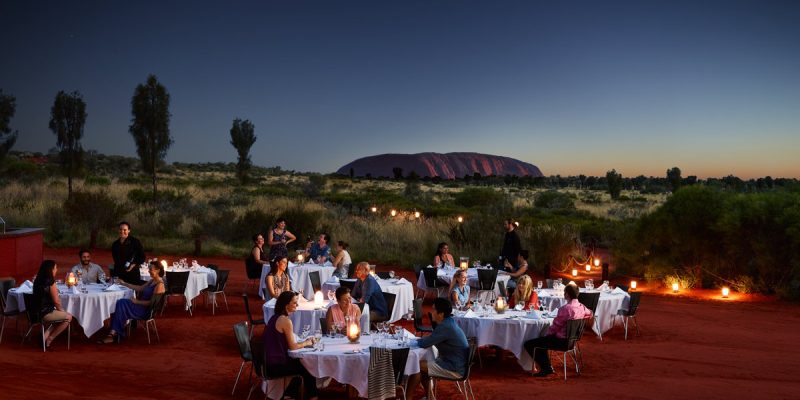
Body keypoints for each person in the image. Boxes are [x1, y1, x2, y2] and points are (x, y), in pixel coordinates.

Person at [523, 283, 592, 377]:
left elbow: (555, 326)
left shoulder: (565, 309)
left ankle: (546, 368)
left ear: (567, 294)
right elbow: (590, 314)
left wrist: (546, 334)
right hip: (572, 341)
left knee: (530, 344)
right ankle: (547, 367)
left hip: (560, 342)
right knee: (542, 341)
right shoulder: (582, 307)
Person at [406, 298, 469, 400]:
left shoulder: (445, 327)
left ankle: (407, 397)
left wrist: (409, 341)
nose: (431, 312)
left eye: (434, 309)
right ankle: (430, 397)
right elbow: (431, 339)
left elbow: (426, 343)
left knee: (416, 365)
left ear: (441, 314)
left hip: (454, 368)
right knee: (422, 366)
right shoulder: (449, 322)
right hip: (456, 363)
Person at [263, 291, 319, 400]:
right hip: (276, 365)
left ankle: (289, 395)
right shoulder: (285, 321)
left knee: (301, 365)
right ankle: (313, 397)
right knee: (309, 368)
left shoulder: (274, 317)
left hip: (266, 362)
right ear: (286, 305)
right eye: (294, 303)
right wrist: (307, 342)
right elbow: (293, 346)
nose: (297, 305)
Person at [100, 261, 166, 344]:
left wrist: (137, 301)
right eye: (149, 269)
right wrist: (124, 283)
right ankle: (114, 333)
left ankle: (113, 334)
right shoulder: (152, 281)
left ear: (158, 270)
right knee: (120, 303)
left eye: (151, 269)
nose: (149, 271)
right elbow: (139, 288)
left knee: (121, 303)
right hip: (139, 307)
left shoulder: (159, 285)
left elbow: (151, 303)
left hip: (145, 311)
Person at [32, 260, 74, 349]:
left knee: (59, 317)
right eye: (55, 268)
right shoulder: (51, 282)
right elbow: (56, 301)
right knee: (68, 317)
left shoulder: (37, 280)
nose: (56, 270)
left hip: (35, 312)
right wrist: (62, 311)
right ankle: (50, 339)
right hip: (45, 313)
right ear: (51, 270)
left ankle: (44, 336)